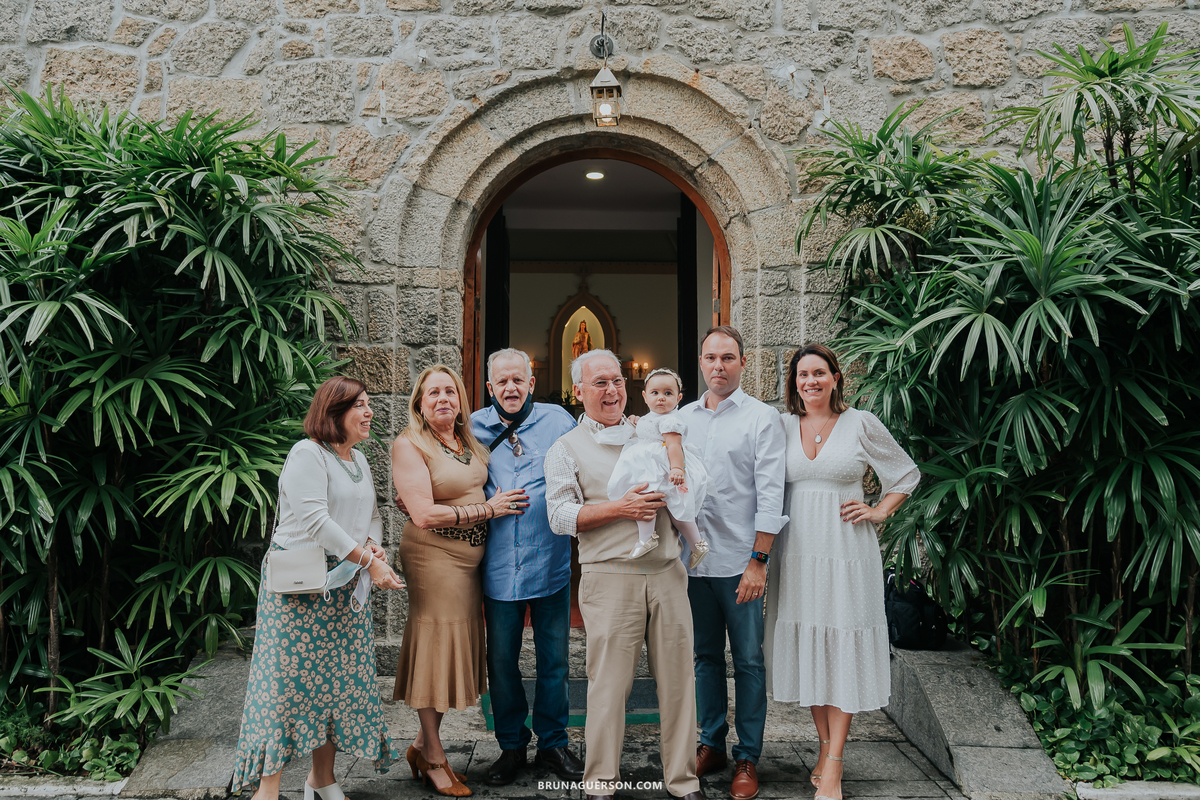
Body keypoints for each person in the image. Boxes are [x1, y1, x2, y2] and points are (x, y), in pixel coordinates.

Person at [231, 376, 406, 800]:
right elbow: (316, 522)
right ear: (333, 413)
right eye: (359, 405)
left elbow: (370, 513)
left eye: (368, 404)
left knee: (338, 685)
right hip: (300, 591)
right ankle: (267, 790)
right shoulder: (306, 454)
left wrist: (375, 546)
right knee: (284, 690)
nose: (369, 412)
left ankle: (322, 780)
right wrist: (368, 562)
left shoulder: (359, 460)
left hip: (345, 592)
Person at [545, 349, 703, 800]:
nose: (612, 390)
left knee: (677, 681)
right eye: (600, 383)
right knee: (609, 686)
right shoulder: (565, 448)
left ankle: (682, 780)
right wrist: (620, 508)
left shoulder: (649, 430)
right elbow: (558, 516)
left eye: (617, 380)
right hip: (609, 576)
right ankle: (600, 782)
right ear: (578, 391)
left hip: (668, 572)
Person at [764, 344, 920, 800]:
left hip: (846, 553)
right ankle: (826, 746)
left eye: (818, 373)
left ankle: (834, 763)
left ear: (835, 377)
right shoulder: (782, 425)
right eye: (801, 375)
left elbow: (906, 474)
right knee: (812, 644)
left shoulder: (861, 424)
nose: (809, 381)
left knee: (842, 645)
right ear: (793, 382)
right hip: (796, 553)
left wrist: (879, 511)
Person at [391, 365, 528, 797]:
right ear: (419, 402)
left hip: (469, 565)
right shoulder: (409, 444)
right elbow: (425, 514)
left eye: (451, 391)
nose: (443, 399)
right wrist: (489, 511)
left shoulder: (467, 439)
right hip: (433, 559)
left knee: (450, 651)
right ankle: (434, 758)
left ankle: (420, 746)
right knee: (435, 651)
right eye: (433, 393)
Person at [678, 326, 788, 800]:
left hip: (742, 562)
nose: (718, 366)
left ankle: (748, 755)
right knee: (703, 658)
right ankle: (711, 743)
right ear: (700, 363)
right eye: (710, 358)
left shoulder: (763, 419)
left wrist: (758, 561)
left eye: (727, 357)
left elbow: (771, 493)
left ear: (743, 363)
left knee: (747, 660)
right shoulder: (679, 419)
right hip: (692, 564)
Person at [468, 348, 584, 785]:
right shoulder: (473, 426)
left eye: (519, 380)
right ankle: (512, 746)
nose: (511, 388)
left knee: (554, 660)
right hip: (499, 566)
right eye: (502, 382)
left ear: (531, 383)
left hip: (550, 561)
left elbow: (589, 457)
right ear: (490, 387)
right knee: (501, 661)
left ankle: (554, 744)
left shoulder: (559, 421)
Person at [606, 367, 710, 567]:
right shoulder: (649, 417)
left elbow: (673, 446)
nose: (661, 398)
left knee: (665, 503)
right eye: (655, 393)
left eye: (668, 393)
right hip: (650, 465)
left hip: (665, 467)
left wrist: (677, 468)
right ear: (645, 396)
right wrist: (636, 422)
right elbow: (646, 430)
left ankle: (650, 538)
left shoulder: (671, 420)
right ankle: (695, 543)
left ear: (679, 398)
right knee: (655, 501)